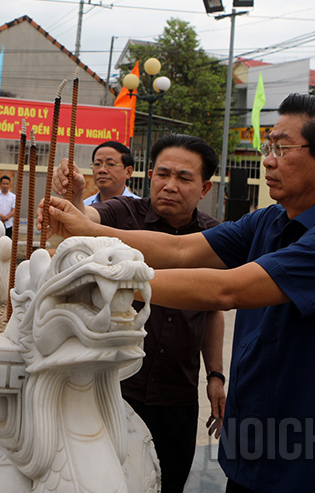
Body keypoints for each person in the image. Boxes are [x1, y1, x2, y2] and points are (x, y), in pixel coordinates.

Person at [44, 93, 315, 493]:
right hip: (252, 453)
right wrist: (91, 231)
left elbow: (226, 290)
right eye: (269, 146)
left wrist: (105, 279)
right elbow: (182, 249)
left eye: (282, 147)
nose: (268, 159)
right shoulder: (271, 220)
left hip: (312, 465)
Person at [53, 133, 225, 493]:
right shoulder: (122, 214)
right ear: (149, 175)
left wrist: (215, 375)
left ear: (205, 187)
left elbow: (212, 310)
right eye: (162, 174)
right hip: (111, 386)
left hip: (176, 394)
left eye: (183, 178)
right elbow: (86, 217)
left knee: (168, 481)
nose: (169, 185)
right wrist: (75, 195)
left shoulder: (214, 238)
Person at [80, 140, 140, 205]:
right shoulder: (85, 207)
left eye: (111, 164)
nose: (102, 170)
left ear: (128, 172)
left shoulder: (139, 209)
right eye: (97, 164)